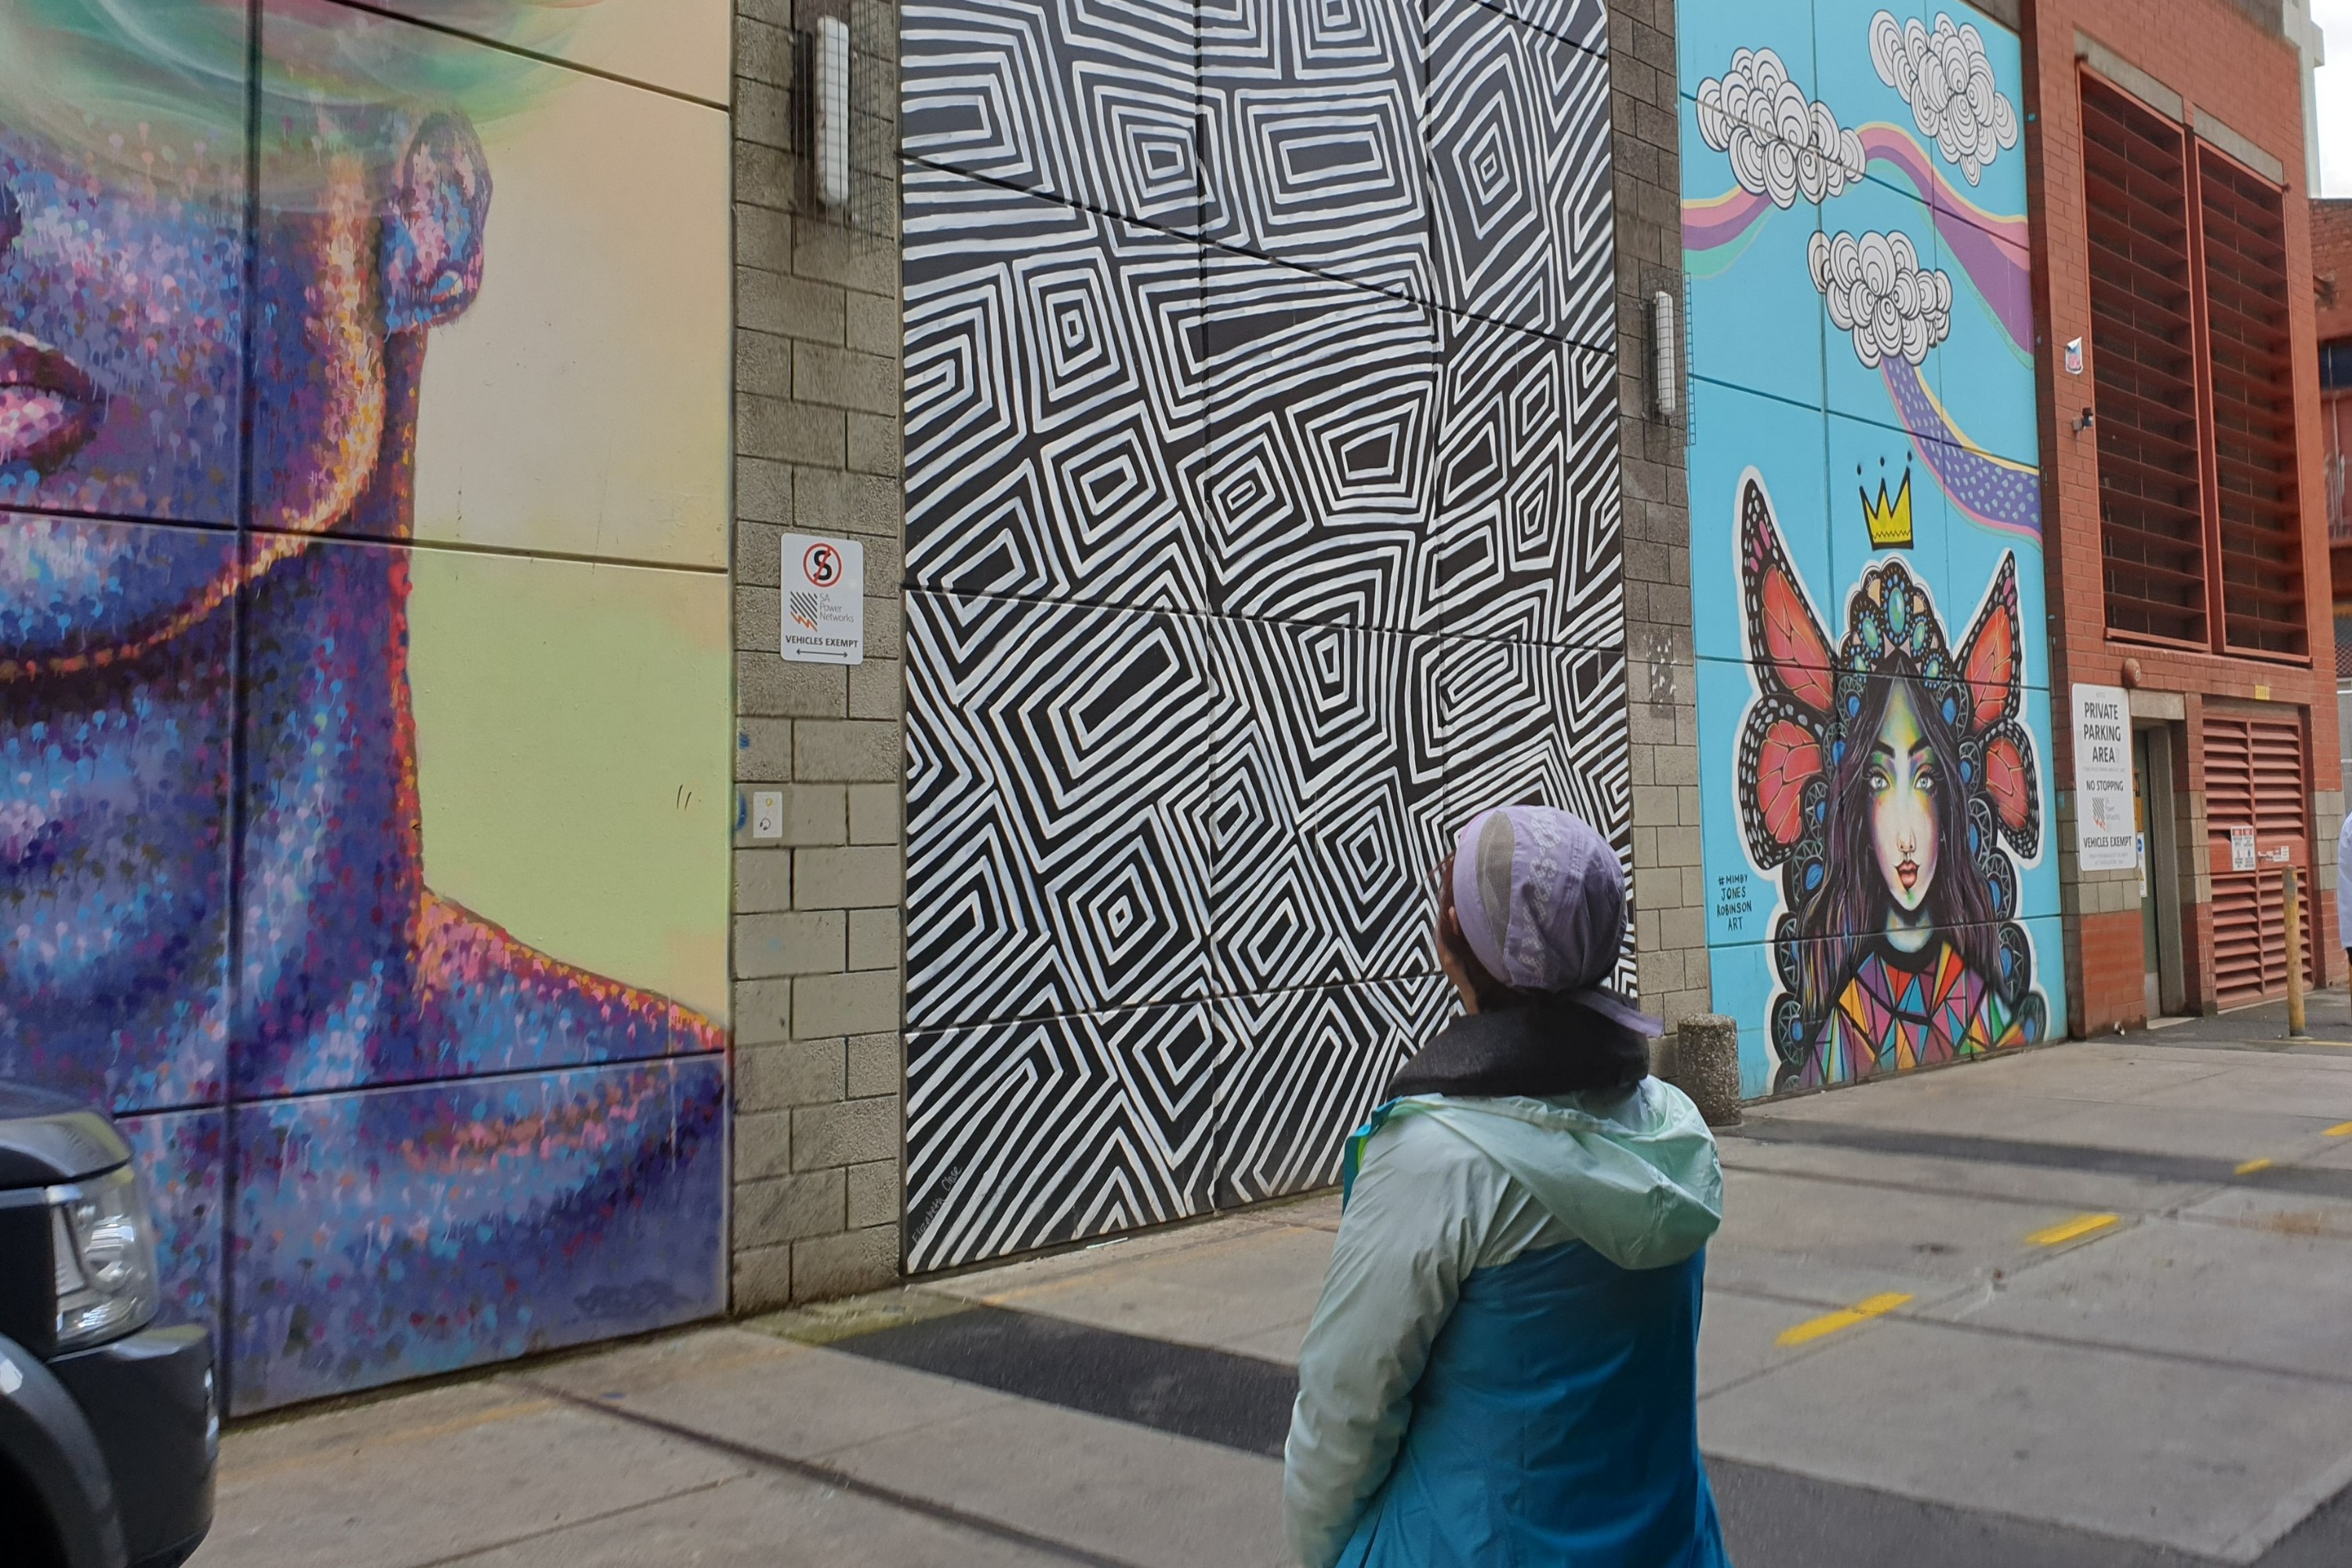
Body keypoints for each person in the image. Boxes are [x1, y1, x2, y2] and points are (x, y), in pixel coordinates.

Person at [1283, 806, 1730, 1568]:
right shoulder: (1675, 1130)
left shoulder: (1434, 1159)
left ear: (1452, 933)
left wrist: (1318, 1553)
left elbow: (1345, 1409)